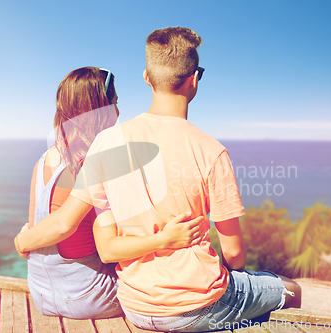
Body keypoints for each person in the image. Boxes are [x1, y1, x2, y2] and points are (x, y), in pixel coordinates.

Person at [70, 27, 302, 332]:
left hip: (136, 306)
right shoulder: (210, 150)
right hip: (198, 306)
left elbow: (108, 250)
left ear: (146, 77)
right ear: (194, 79)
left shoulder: (104, 143)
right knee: (291, 290)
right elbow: (233, 253)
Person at [14, 67, 204, 320]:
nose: (117, 111)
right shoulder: (97, 161)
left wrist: (23, 240)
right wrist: (166, 239)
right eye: (114, 103)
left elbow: (48, 220)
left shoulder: (45, 159)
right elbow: (63, 224)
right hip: (89, 295)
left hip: (42, 295)